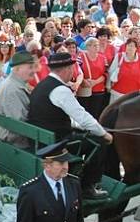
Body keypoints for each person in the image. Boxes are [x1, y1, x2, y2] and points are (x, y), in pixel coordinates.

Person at [26, 52, 113, 199]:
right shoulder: (60, 90)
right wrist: (104, 133)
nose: (73, 72)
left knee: (84, 134)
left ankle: (75, 174)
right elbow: (83, 117)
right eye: (72, 68)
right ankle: (88, 187)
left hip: (40, 139)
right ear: (66, 69)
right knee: (99, 141)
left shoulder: (43, 84)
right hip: (55, 144)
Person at [0, 52, 36, 149]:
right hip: (16, 143)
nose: (33, 70)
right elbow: (18, 124)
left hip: (13, 137)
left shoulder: (15, 84)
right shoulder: (13, 89)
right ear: (17, 69)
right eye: (30, 67)